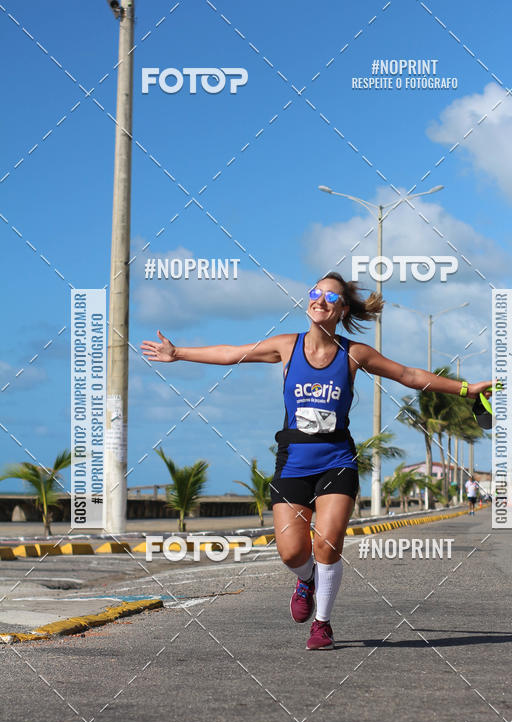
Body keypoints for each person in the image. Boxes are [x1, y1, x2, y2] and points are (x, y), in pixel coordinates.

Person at [141, 272, 493, 651]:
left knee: (327, 542)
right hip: (293, 461)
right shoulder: (286, 346)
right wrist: (178, 353)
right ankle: (306, 579)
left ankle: (322, 624)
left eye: (331, 297)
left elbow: (407, 375)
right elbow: (231, 353)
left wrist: (466, 389)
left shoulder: (354, 354)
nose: (320, 300)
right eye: (315, 293)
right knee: (292, 551)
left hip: (337, 460)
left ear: (342, 310)